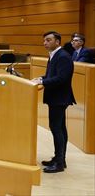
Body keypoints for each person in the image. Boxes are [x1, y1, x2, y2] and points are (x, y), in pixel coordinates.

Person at [32, 31, 76, 173]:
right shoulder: (54, 55)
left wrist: (43, 81)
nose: (45, 43)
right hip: (56, 97)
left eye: (48, 40)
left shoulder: (63, 56)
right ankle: (59, 158)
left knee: (57, 128)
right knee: (60, 128)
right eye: (44, 40)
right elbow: (52, 75)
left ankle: (60, 163)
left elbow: (62, 78)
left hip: (60, 98)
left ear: (57, 41)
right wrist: (40, 78)